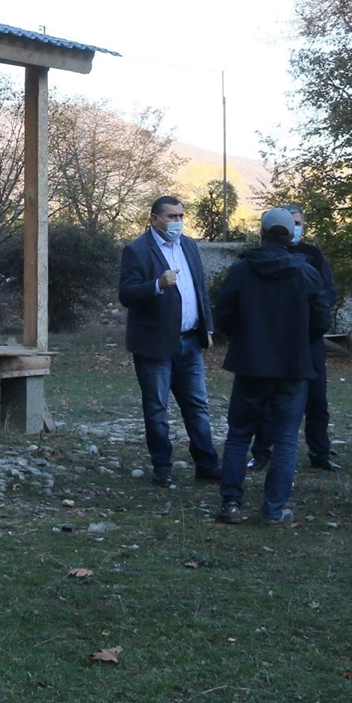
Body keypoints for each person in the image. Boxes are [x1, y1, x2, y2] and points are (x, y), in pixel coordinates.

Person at [210, 208, 332, 525]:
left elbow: (223, 311)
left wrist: (243, 338)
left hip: (251, 364)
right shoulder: (305, 272)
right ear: (290, 235)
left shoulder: (243, 269)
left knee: (239, 435)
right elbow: (321, 318)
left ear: (261, 233)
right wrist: (300, 342)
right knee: (287, 439)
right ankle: (273, 510)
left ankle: (231, 504)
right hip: (293, 366)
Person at [118, 195, 220, 487]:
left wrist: (207, 328)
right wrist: (157, 285)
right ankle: (162, 467)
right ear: (154, 219)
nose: (177, 222)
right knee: (157, 409)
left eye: (180, 216)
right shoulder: (137, 250)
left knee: (198, 407)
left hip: (190, 342)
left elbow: (199, 289)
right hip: (154, 345)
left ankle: (207, 464)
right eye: (171, 217)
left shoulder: (188, 245)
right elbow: (126, 294)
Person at [284, 203, 340, 471]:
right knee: (274, 400)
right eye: (290, 222)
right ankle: (265, 452)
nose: (295, 228)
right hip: (278, 341)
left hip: (310, 339)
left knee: (317, 400)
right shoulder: (269, 254)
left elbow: (328, 291)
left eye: (299, 223)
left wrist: (314, 314)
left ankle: (320, 453)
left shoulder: (313, 255)